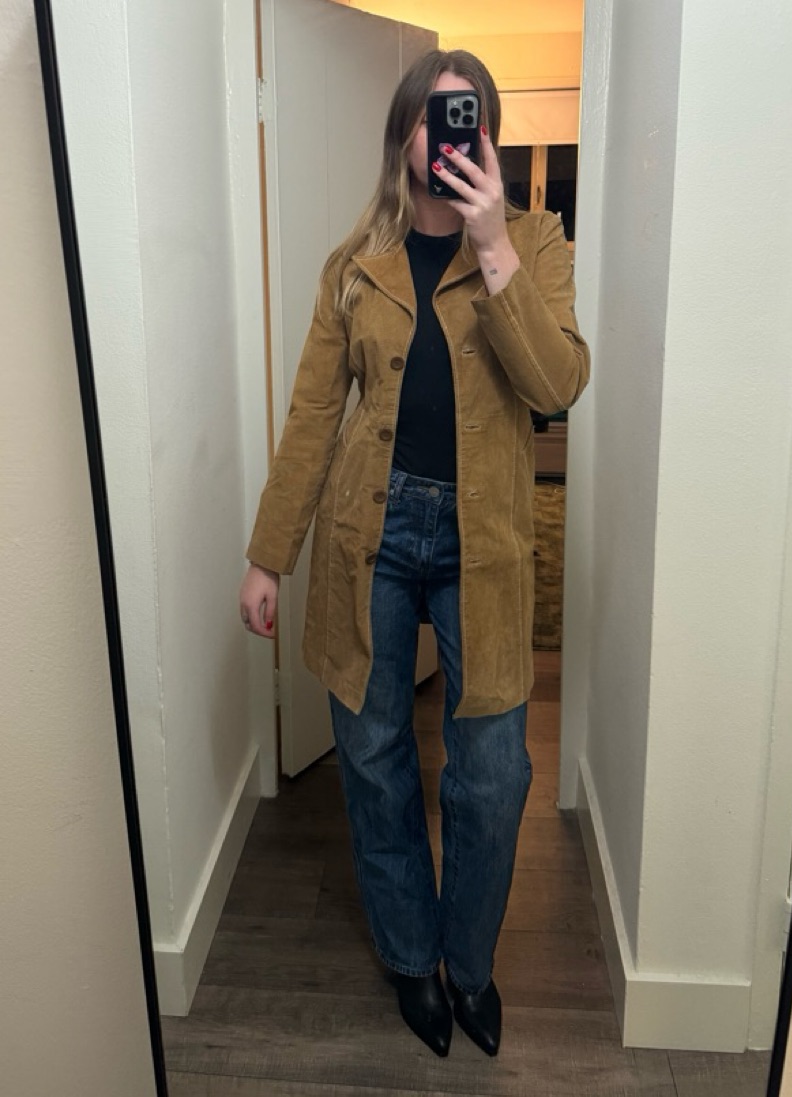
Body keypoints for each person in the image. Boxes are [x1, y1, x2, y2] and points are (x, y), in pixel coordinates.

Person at [239, 49, 589, 1058]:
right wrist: (269, 554)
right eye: (432, 117)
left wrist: (493, 244)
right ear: (403, 136)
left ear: (488, 137)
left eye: (466, 118)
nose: (448, 136)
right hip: (371, 536)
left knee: (491, 775)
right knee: (374, 756)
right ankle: (407, 955)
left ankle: (468, 962)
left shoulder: (534, 241)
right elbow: (314, 416)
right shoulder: (355, 264)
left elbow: (556, 385)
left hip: (486, 542)